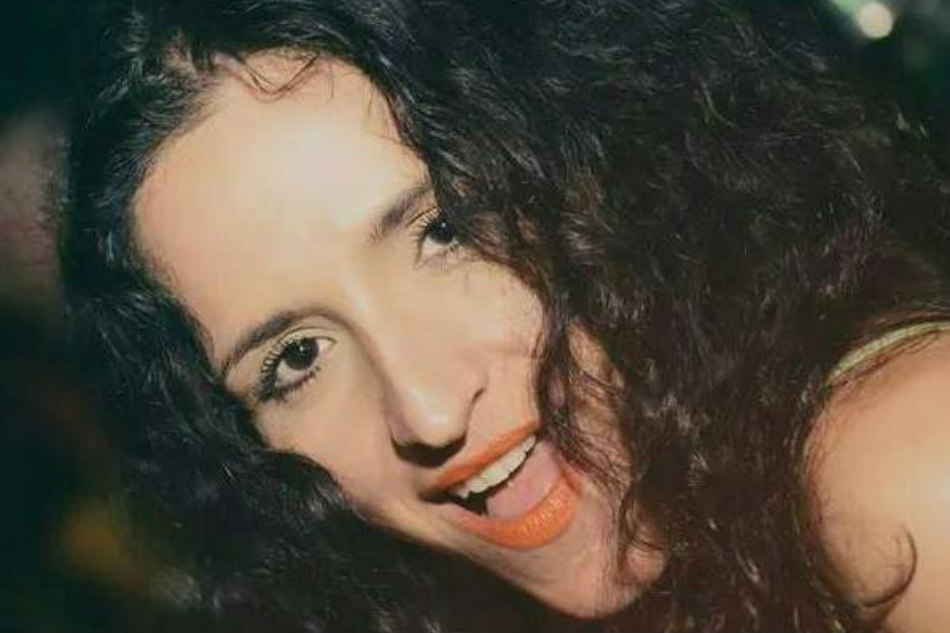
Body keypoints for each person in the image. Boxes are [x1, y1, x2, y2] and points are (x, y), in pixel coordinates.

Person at [59, 0, 949, 631]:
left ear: (607, 151)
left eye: (446, 230)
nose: (428, 411)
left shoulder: (903, 471)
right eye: (297, 357)